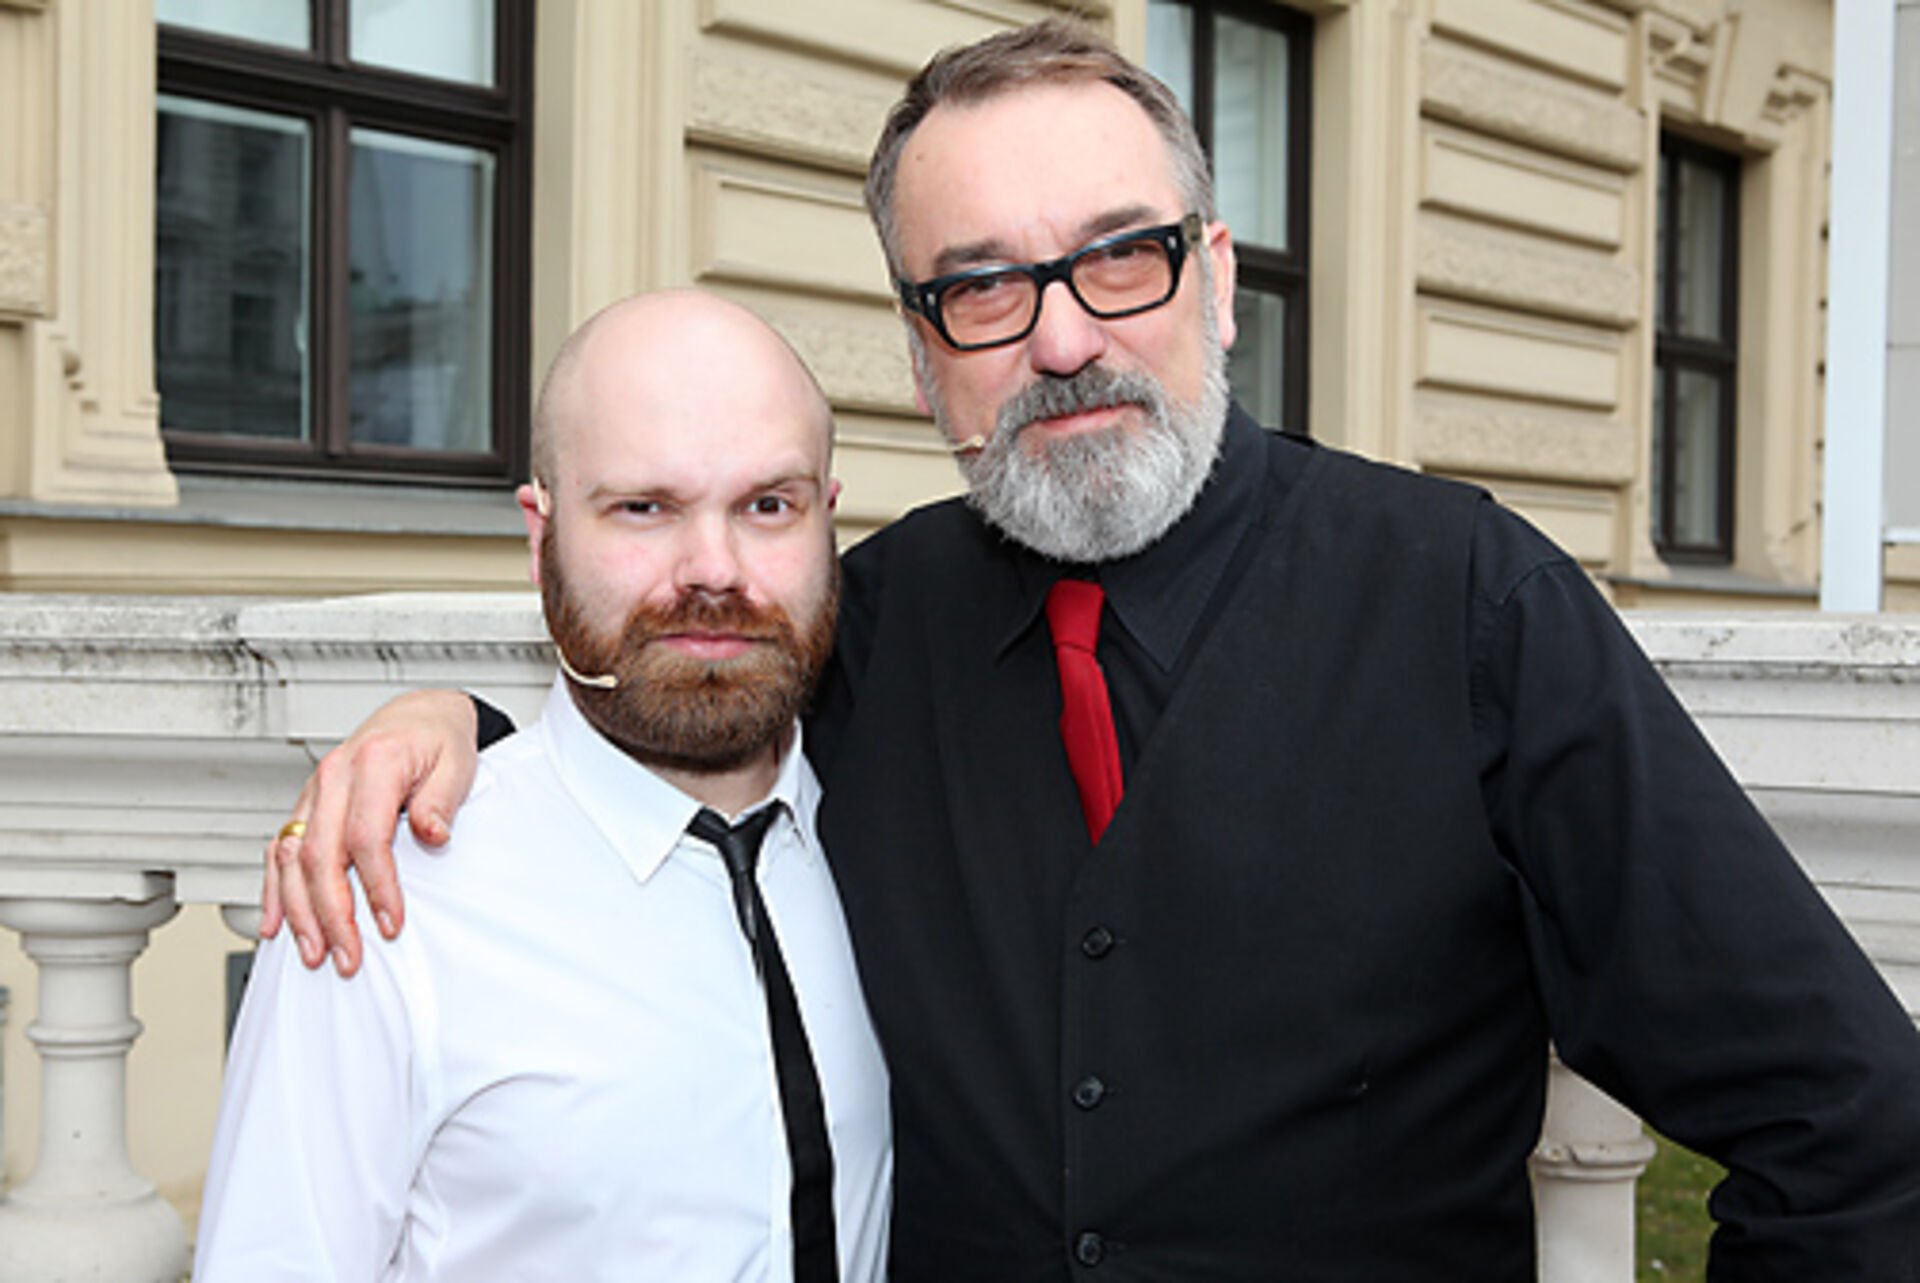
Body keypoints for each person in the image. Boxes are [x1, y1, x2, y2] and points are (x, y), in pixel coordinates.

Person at [262, 20, 1920, 1282]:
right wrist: (455, 727)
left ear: (1217, 279)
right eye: (983, 286)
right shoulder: (867, 622)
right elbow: (684, 697)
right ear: (924, 354)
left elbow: (1850, 1124)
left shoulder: (1470, 602)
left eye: (1120, 255)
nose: (1062, 337)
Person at [198, 290, 891, 1281]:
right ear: (541, 534)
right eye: (644, 507)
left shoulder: (896, 827)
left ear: (827, 521)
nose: (714, 568)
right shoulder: (389, 900)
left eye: (767, 506)